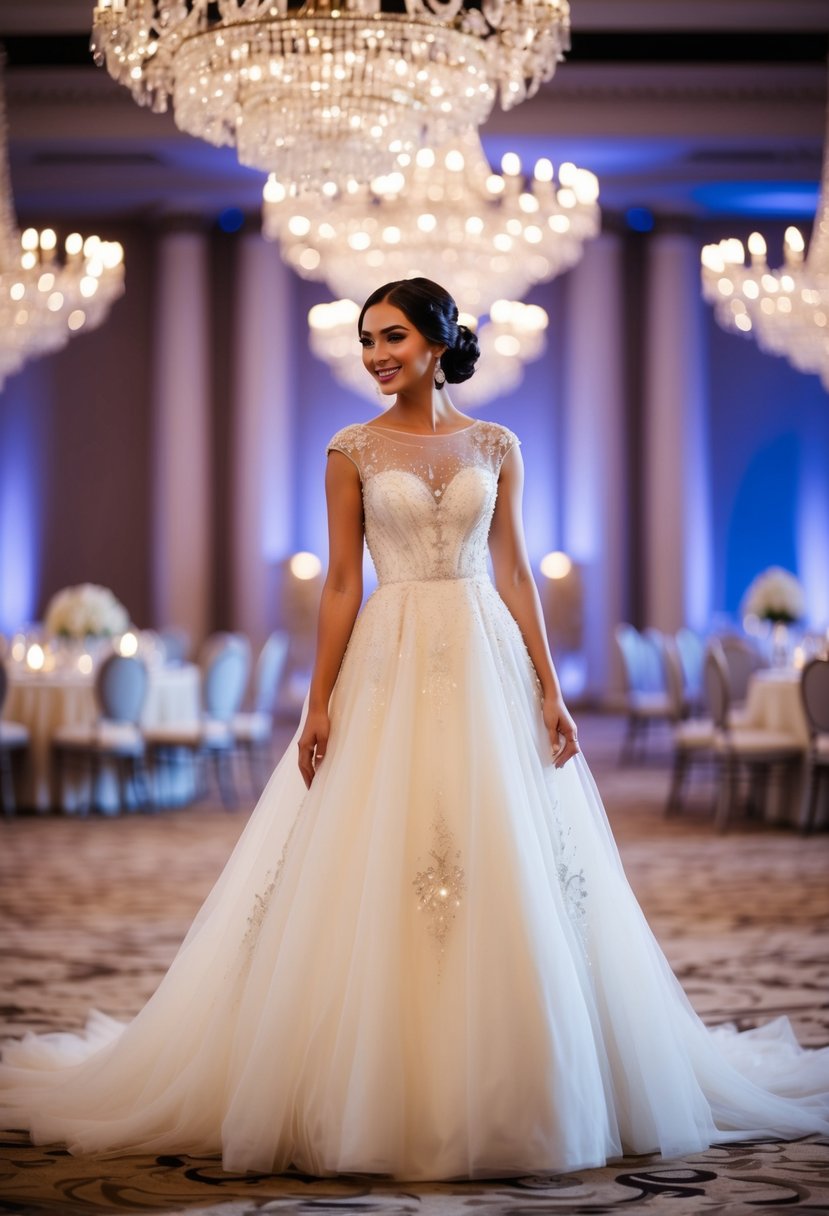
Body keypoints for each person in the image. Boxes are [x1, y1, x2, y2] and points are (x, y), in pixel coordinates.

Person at [1, 277, 827, 1181]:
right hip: (388, 656)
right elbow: (343, 585)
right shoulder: (349, 449)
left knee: (509, 847)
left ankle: (522, 1077)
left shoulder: (496, 444)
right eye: (365, 340)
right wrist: (317, 702)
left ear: (438, 342)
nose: (374, 354)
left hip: (484, 659)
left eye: (391, 336)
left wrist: (551, 690)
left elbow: (516, 576)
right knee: (376, 845)